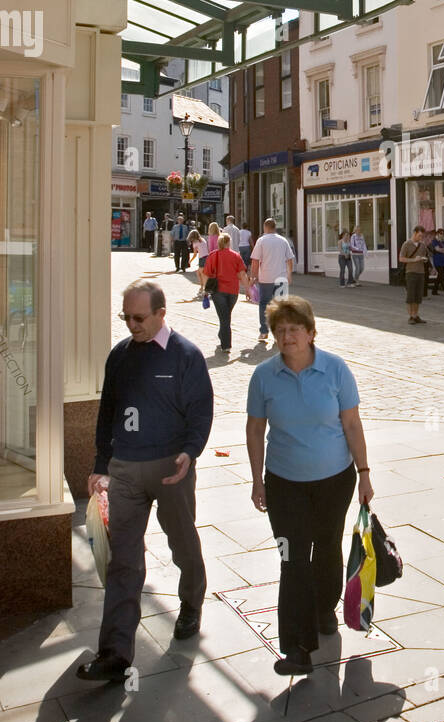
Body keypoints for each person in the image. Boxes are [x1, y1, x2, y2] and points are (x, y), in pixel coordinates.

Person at [76, 280, 213, 682]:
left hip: (171, 469)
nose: (131, 325)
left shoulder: (186, 356)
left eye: (139, 318)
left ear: (161, 314)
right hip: (125, 470)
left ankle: (191, 601)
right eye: (126, 317)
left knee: (182, 541)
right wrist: (101, 464)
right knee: (123, 559)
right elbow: (107, 414)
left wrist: (191, 451)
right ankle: (115, 652)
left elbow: (200, 411)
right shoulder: (119, 355)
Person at [245, 296, 373, 676]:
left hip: (334, 480)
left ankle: (324, 610)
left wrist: (364, 473)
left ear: (311, 333)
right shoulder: (264, 376)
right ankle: (298, 648)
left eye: (294, 330)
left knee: (328, 547)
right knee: (293, 558)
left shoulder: (335, 370)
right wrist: (257, 480)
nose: (287, 337)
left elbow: (351, 424)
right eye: (280, 331)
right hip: (284, 483)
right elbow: (255, 429)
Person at [250, 217, 296, 344]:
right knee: (281, 306)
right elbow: (290, 259)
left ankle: (264, 331)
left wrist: (253, 277)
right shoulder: (283, 241)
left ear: (265, 227)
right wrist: (289, 274)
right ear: (275, 227)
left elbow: (255, 260)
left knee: (264, 303)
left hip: (265, 278)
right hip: (281, 278)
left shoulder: (261, 241)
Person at [203, 232, 250, 353]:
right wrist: (247, 290)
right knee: (226, 316)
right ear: (229, 242)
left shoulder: (213, 255)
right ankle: (223, 337)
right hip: (233, 291)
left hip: (218, 291)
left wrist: (205, 289)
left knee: (224, 317)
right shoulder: (236, 256)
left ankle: (226, 344)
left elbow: (206, 274)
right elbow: (242, 274)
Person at [400, 225, 428, 325]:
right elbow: (401, 258)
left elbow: (425, 256)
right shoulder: (406, 244)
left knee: (418, 296)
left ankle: (416, 315)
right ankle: (411, 316)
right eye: (420, 235)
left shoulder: (423, 245)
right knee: (411, 296)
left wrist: (424, 260)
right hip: (410, 272)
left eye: (422, 236)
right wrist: (413, 260)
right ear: (415, 233)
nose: (421, 238)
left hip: (421, 272)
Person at [429, 228, 444, 297]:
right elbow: (437, 249)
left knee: (439, 276)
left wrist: (442, 250)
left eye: (443, 233)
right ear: (437, 234)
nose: (442, 235)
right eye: (441, 233)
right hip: (437, 261)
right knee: (441, 276)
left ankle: (434, 291)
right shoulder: (434, 241)